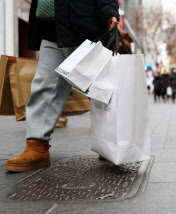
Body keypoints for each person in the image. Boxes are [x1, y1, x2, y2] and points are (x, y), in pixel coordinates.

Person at [5, 0, 120, 172]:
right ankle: (36, 146)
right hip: (50, 27)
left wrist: (110, 11)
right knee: (44, 84)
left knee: (100, 87)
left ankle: (110, 141)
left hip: (83, 25)